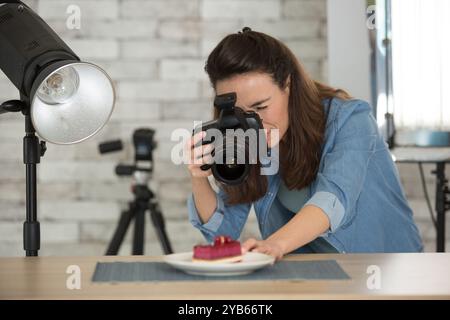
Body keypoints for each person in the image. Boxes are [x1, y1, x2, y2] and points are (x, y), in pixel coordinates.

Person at [185, 28, 423, 260]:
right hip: (311, 275)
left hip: (385, 268)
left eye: (260, 107)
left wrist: (274, 244)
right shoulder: (242, 136)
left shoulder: (351, 119)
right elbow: (222, 232)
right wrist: (198, 177)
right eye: (241, 113)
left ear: (287, 84)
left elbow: (332, 201)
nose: (253, 123)